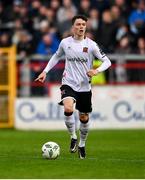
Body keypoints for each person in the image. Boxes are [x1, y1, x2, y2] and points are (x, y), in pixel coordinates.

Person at [35, 15, 111, 159]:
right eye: (78, 24)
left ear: (86, 27)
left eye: (83, 24)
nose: (81, 27)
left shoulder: (91, 45)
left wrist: (96, 70)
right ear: (73, 27)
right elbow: (56, 56)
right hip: (68, 82)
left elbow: (107, 61)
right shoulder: (65, 43)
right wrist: (45, 71)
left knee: (83, 117)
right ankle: (73, 136)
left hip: (84, 86)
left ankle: (82, 144)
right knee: (68, 108)